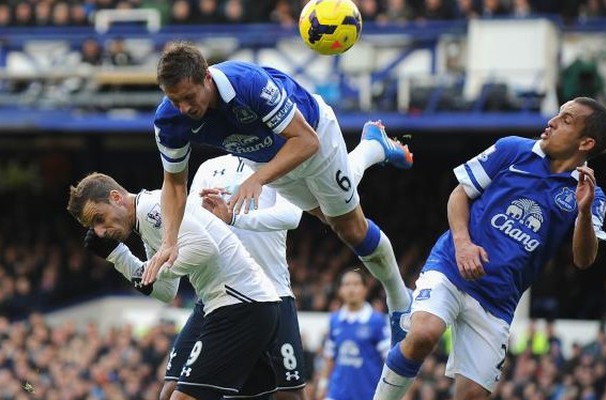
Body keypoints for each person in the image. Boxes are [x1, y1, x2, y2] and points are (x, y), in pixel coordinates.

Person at [143, 41, 414, 344]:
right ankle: (373, 145)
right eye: (175, 100)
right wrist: (169, 240)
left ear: (207, 77)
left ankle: (400, 299)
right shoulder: (169, 120)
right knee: (328, 215)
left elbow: (306, 141)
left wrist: (257, 179)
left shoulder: (248, 84)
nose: (184, 108)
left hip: (313, 136)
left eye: (189, 97)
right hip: (266, 158)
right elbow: (175, 184)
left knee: (348, 228)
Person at [373, 97, 606, 400]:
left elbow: (584, 259)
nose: (552, 121)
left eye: (566, 120)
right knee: (423, 334)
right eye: (557, 114)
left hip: (499, 299)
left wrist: (583, 212)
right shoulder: (513, 149)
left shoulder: (591, 194)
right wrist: (463, 244)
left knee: (472, 394)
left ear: (586, 142)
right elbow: (459, 195)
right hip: (452, 266)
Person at [161, 134, 403, 400]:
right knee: (172, 390)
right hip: (216, 298)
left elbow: (290, 216)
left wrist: (232, 217)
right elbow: (190, 219)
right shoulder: (209, 168)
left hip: (271, 295)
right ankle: (371, 147)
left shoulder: (279, 163)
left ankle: (371, 147)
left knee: (288, 395)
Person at [67, 173, 282, 400]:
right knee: (174, 392)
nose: (100, 232)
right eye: (93, 225)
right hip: (248, 304)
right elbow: (166, 291)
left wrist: (159, 266)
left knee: (181, 396)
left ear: (116, 197)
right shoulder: (145, 217)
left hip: (240, 304)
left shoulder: (151, 209)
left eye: (99, 218)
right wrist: (119, 256)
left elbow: (205, 248)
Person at [316, 269, 390, 400]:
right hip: (336, 393)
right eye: (347, 284)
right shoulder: (335, 320)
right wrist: (322, 385)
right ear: (340, 290)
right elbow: (329, 356)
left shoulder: (376, 321)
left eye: (356, 284)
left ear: (365, 289)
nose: (351, 289)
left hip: (368, 394)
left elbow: (388, 360)